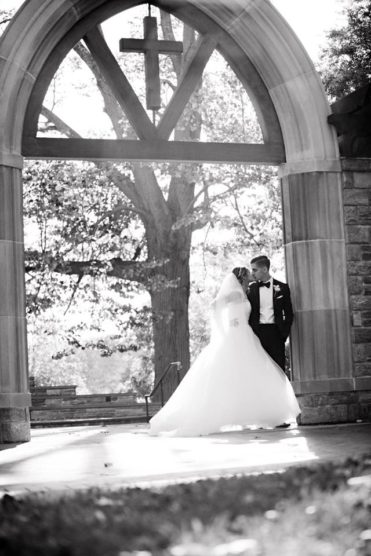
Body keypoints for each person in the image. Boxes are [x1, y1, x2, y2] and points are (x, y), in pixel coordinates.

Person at [149, 269, 300, 437]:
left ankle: (251, 415)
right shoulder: (235, 292)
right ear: (242, 276)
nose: (252, 274)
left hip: (247, 335)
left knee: (249, 376)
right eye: (249, 272)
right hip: (236, 334)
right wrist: (226, 326)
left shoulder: (245, 291)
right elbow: (214, 305)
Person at [248, 255, 293, 373]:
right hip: (257, 334)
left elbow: (289, 313)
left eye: (254, 270)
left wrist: (283, 334)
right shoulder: (250, 289)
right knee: (259, 370)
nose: (252, 273)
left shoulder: (282, 288)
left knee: (278, 369)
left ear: (264, 269)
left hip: (276, 333)